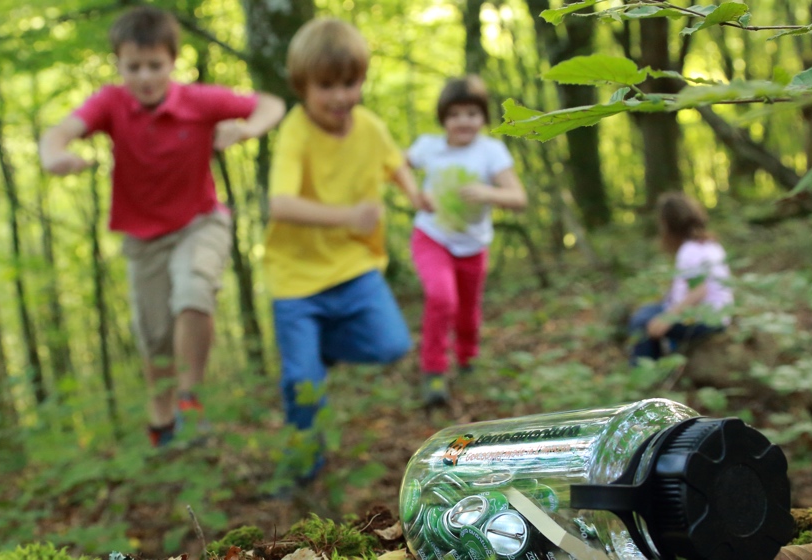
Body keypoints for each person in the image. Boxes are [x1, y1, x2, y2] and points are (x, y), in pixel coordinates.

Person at [39, 6, 285, 446]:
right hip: (143, 238)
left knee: (194, 290)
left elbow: (271, 104)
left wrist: (247, 132)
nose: (146, 76)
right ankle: (163, 421)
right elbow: (59, 132)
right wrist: (54, 156)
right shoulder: (111, 103)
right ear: (118, 65)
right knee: (155, 341)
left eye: (155, 65)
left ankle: (191, 400)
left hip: (199, 221)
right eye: (134, 67)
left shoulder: (199, 100)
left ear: (173, 62)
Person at [264, 17, 430, 485]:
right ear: (302, 85)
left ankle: (322, 348)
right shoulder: (296, 131)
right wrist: (346, 216)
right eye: (326, 86)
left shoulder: (370, 127)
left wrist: (416, 196)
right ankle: (304, 466)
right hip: (295, 279)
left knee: (392, 344)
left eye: (350, 83)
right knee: (303, 384)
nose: (340, 97)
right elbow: (280, 203)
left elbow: (395, 163)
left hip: (354, 265)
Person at [407, 75, 527, 406]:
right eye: (455, 114)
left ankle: (467, 357)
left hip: (473, 245)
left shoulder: (491, 151)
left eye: (472, 114)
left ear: (483, 118)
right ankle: (433, 371)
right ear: (443, 117)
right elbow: (395, 168)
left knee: (467, 311)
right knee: (442, 298)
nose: (464, 121)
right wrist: (416, 194)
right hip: (432, 236)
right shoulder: (428, 147)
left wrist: (488, 192)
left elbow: (518, 197)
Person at [628, 192, 732, 365]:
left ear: (668, 224)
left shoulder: (690, 251)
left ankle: (646, 373)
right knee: (645, 312)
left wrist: (667, 318)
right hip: (718, 314)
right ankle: (662, 358)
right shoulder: (709, 244)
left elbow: (699, 290)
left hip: (705, 320)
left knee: (641, 323)